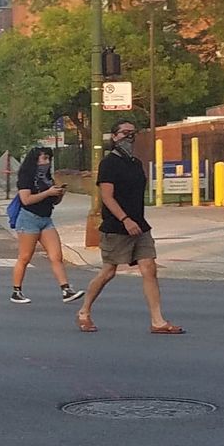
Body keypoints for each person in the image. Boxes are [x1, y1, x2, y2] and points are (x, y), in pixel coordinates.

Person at [76, 120, 184, 334]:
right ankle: (84, 311)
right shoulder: (109, 164)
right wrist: (125, 219)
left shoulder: (135, 163)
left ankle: (158, 321)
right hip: (117, 226)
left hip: (140, 225)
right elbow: (107, 197)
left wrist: (135, 220)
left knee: (149, 269)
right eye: (125, 133)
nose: (129, 137)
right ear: (114, 136)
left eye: (133, 133)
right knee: (108, 272)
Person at [10, 146, 86, 305]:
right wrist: (47, 193)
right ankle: (16, 290)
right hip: (29, 218)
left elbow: (54, 201)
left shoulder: (47, 178)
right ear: (35, 160)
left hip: (46, 218)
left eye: (49, 159)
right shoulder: (26, 176)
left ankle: (66, 289)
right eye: (44, 158)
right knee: (24, 257)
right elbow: (26, 200)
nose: (47, 162)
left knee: (56, 256)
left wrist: (59, 195)